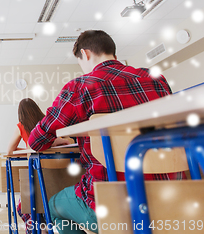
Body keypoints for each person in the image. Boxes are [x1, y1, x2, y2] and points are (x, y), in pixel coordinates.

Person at [28, 30, 184, 234]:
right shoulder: (156, 79)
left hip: (109, 203)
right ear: (114, 54)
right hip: (168, 197)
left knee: (53, 206)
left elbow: (36, 140)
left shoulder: (79, 87)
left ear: (85, 54)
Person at [7, 98, 71, 234]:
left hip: (36, 175)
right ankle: (47, 226)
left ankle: (40, 229)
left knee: (23, 206)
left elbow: (10, 151)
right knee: (44, 201)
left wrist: (28, 150)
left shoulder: (21, 126)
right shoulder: (47, 123)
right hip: (59, 177)